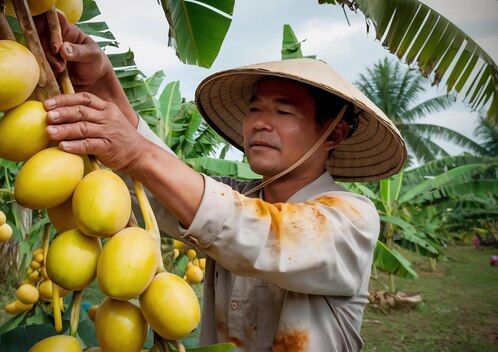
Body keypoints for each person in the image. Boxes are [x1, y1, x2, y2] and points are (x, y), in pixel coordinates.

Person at [36, 12, 407, 352]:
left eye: (283, 110)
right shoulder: (234, 194)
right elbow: (159, 192)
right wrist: (103, 86)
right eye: (255, 108)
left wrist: (137, 153)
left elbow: (251, 229)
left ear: (334, 134)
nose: (261, 121)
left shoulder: (353, 218)